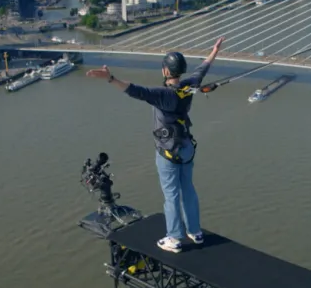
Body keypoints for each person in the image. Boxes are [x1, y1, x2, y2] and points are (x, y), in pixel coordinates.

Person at [86, 37, 225, 253]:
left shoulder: (162, 95)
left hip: (168, 152)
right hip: (187, 148)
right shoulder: (189, 86)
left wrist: (110, 78)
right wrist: (214, 51)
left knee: (171, 195)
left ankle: (174, 238)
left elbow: (135, 90)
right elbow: (202, 69)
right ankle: (195, 232)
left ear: (165, 72)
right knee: (188, 189)